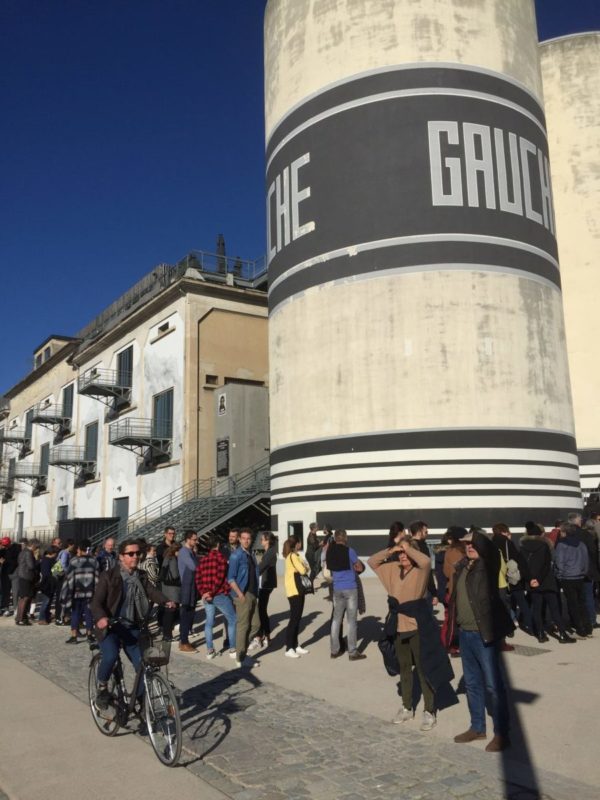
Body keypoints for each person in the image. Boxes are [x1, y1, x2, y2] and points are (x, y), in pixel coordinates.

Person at [446, 530, 513, 752]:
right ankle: (477, 727)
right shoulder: (462, 567)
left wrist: (475, 536)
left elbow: (490, 548)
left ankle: (502, 733)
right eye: (466, 544)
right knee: (472, 683)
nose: (470, 546)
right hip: (465, 634)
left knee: (493, 686)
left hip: (484, 633)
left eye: (473, 543)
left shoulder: (488, 565)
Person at [369, 536, 444, 731]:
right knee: (403, 668)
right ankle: (407, 707)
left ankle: (429, 710)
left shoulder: (420, 571)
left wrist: (408, 548)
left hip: (417, 625)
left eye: (406, 552)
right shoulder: (393, 569)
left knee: (423, 668)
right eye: (401, 552)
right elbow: (372, 562)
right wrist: (392, 550)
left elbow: (426, 561)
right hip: (397, 625)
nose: (402, 555)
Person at [90, 538, 175, 709]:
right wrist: (101, 618)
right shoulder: (109, 576)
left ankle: (141, 703)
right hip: (111, 627)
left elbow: (151, 591)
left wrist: (165, 601)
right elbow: (96, 602)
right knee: (111, 656)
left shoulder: (141, 576)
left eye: (138, 553)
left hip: (132, 627)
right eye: (130, 554)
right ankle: (102, 687)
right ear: (121, 556)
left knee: (144, 666)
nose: (135, 556)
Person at [520, 521, 575, 644]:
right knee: (554, 609)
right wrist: (539, 579)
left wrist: (531, 579)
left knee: (537, 609)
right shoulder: (545, 545)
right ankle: (562, 634)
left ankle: (540, 634)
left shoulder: (522, 547)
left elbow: (522, 566)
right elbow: (546, 565)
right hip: (546, 581)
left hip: (532, 583)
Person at [326, 529, 366, 661]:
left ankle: (334, 650)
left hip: (337, 588)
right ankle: (352, 652)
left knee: (336, 620)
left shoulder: (330, 551)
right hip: (350, 588)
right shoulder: (350, 551)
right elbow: (359, 567)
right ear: (345, 538)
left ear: (335, 538)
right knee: (351, 621)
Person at [195, 533, 237, 659]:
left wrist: (204, 593)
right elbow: (219, 578)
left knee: (209, 622)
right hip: (219, 594)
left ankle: (210, 650)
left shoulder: (203, 560)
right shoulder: (221, 558)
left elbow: (198, 579)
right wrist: (211, 593)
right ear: (218, 545)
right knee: (233, 619)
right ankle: (232, 648)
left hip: (207, 596)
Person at [490, 523, 533, 635]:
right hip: (512, 577)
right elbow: (519, 560)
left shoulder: (490, 544)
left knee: (504, 604)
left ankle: (508, 628)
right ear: (503, 532)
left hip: (498, 579)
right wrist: (528, 577)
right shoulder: (508, 543)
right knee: (521, 602)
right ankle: (530, 626)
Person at [228, 528, 261, 667]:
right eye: (244, 538)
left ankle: (242, 650)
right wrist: (240, 594)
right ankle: (240, 658)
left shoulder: (251, 554)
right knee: (243, 626)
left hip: (253, 593)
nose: (246, 541)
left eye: (248, 538)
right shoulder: (236, 555)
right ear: (239, 539)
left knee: (256, 625)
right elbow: (230, 578)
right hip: (243, 594)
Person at [554, 523, 591, 638]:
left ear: (564, 532)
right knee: (582, 602)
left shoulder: (561, 545)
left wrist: (559, 575)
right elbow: (586, 560)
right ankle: (587, 626)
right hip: (580, 576)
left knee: (572, 603)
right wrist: (584, 572)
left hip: (567, 577)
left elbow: (559, 562)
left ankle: (580, 628)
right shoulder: (581, 544)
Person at [61, 539, 100, 644]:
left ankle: (74, 636)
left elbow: (69, 578)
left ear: (79, 548)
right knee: (89, 613)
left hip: (76, 592)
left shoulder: (74, 561)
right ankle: (89, 635)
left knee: (75, 613)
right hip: (90, 592)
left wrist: (68, 592)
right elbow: (97, 578)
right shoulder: (94, 561)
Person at [567, 511, 599, 630]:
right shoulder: (585, 534)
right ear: (577, 521)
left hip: (570, 571)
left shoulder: (565, 534)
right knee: (588, 596)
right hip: (586, 570)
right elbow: (592, 551)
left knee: (573, 598)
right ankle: (591, 620)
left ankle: (575, 620)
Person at [283, 535, 310, 658]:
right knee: (294, 619)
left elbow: (303, 568)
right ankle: (289, 647)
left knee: (297, 618)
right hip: (294, 591)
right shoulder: (293, 556)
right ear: (297, 544)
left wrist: (304, 566)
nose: (301, 544)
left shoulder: (296, 555)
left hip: (298, 590)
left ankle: (295, 645)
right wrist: (305, 566)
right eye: (300, 542)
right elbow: (303, 570)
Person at [177, 530, 199, 653]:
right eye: (194, 539)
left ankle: (184, 640)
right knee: (186, 615)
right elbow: (194, 566)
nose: (196, 541)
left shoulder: (191, 552)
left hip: (192, 586)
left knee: (190, 614)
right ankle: (183, 641)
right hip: (187, 588)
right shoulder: (184, 552)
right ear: (188, 539)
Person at [409, 521, 438, 606]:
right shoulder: (422, 547)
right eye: (426, 532)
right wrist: (434, 593)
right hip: (423, 589)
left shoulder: (406, 546)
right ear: (419, 532)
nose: (427, 534)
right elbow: (427, 571)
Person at [256, 532, 278, 646]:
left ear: (268, 540)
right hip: (265, 583)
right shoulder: (269, 551)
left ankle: (264, 635)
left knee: (261, 610)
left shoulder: (270, 552)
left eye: (262, 539)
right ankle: (264, 635)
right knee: (261, 609)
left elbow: (261, 567)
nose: (261, 541)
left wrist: (251, 573)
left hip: (266, 584)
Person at [158, 541, 181, 640]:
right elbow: (175, 575)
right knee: (170, 612)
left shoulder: (166, 557)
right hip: (172, 589)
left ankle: (166, 634)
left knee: (168, 611)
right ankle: (167, 635)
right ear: (176, 550)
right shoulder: (173, 559)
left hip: (166, 587)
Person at [15, 539, 39, 625]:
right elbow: (31, 566)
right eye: (36, 547)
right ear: (33, 545)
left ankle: (20, 618)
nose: (36, 549)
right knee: (25, 598)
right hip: (27, 576)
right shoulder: (29, 552)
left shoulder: (22, 552)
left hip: (22, 576)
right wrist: (37, 562)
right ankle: (21, 619)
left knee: (22, 598)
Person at [54, 539, 75, 625]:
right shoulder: (65, 553)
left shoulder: (64, 552)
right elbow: (63, 564)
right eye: (73, 545)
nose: (73, 547)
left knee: (62, 596)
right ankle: (59, 618)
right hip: (62, 577)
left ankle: (61, 617)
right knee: (62, 596)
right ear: (70, 545)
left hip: (61, 576)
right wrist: (68, 573)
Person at [38, 546, 59, 624]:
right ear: (52, 553)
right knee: (46, 601)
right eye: (55, 553)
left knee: (49, 602)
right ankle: (41, 618)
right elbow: (46, 574)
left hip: (50, 584)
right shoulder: (46, 561)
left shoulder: (49, 560)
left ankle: (46, 617)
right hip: (47, 584)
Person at [0, 536, 20, 616]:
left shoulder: (16, 549)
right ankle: (6, 608)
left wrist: (4, 562)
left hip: (14, 573)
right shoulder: (3, 550)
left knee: (15, 592)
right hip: (5, 573)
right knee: (5, 592)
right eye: (3, 545)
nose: (5, 547)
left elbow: (14, 561)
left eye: (6, 545)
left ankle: (16, 608)